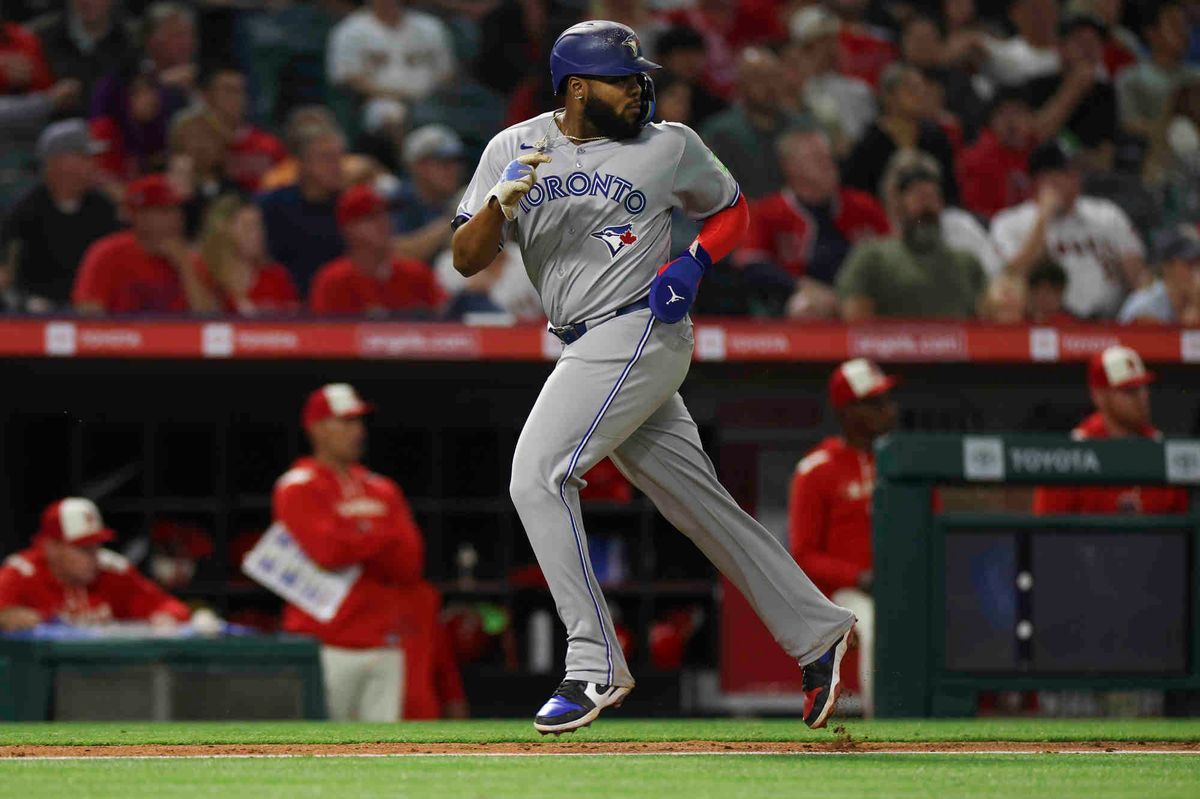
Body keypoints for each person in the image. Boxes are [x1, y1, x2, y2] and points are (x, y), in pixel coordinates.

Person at [451, 20, 856, 734]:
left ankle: (594, 659)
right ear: (577, 88)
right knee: (698, 503)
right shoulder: (510, 148)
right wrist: (497, 205)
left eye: (643, 78)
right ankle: (817, 630)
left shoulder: (670, 143)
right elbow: (464, 257)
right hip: (580, 337)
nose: (642, 89)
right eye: (624, 79)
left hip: (640, 323)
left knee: (537, 475)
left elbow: (732, 209)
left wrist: (694, 261)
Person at [273, 383, 466, 721]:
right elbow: (328, 552)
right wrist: (380, 534)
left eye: (359, 422)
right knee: (317, 756)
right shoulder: (297, 485)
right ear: (317, 428)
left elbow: (408, 563)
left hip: (384, 642)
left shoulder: (383, 488)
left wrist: (355, 535)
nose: (357, 431)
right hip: (324, 644)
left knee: (385, 753)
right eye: (345, 422)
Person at [790, 358, 898, 718]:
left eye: (888, 401)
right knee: (873, 617)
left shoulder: (905, 464)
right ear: (849, 412)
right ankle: (882, 718)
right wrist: (859, 577)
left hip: (904, 584)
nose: (889, 411)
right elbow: (803, 554)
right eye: (876, 404)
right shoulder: (816, 468)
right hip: (845, 593)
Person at [737, 128, 890, 319]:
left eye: (829, 157)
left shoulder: (864, 205)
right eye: (817, 159)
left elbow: (895, 255)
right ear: (790, 167)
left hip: (865, 298)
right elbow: (751, 265)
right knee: (804, 307)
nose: (829, 165)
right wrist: (800, 285)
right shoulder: (767, 211)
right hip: (803, 297)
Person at [990, 139, 1147, 319]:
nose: (1076, 179)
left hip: (1111, 322)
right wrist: (1043, 219)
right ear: (1042, 180)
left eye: (1076, 172)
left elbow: (1138, 275)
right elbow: (1012, 275)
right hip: (1046, 324)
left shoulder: (1107, 215)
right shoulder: (1011, 222)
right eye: (1066, 173)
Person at [1033, 346, 1189, 515]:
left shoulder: (1163, 449)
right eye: (1129, 390)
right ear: (1099, 396)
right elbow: (1047, 535)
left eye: (1144, 387)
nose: (1141, 397)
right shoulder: (1072, 454)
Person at [0, 497, 191, 632]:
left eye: (96, 546)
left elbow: (172, 607)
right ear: (52, 547)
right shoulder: (21, 572)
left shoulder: (112, 569)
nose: (94, 557)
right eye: (83, 549)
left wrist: (165, 617)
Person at [837, 156, 986, 320]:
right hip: (893, 344)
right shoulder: (872, 257)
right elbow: (855, 322)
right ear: (897, 204)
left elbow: (988, 318)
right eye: (919, 196)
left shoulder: (966, 262)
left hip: (955, 344)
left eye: (933, 197)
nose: (927, 206)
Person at [0, 119, 120, 310]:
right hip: (36, 312)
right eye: (85, 157)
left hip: (93, 310)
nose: (95, 164)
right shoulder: (26, 210)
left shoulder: (103, 207)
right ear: (58, 162)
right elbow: (7, 271)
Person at [72, 173, 209, 314]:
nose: (176, 218)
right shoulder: (106, 252)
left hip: (178, 336)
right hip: (122, 334)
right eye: (164, 211)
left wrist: (184, 267)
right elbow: (87, 314)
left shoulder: (192, 259)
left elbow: (211, 322)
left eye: (177, 210)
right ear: (136, 216)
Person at [310, 184, 445, 316]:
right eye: (371, 217)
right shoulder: (333, 281)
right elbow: (319, 334)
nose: (383, 222)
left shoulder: (417, 274)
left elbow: (447, 322)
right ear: (349, 228)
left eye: (385, 214)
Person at [700, 47, 812, 201]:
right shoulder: (720, 133)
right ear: (740, 85)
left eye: (774, 77)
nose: (769, 85)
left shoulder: (801, 126)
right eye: (758, 78)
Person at [842, 62, 958, 205]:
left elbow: (950, 189)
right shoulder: (870, 143)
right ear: (889, 96)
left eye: (921, 89)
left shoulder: (935, 137)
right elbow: (857, 191)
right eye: (911, 89)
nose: (919, 95)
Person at [326, 0, 456, 126]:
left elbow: (447, 71)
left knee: (438, 134)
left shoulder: (430, 26)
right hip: (379, 100)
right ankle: (397, 148)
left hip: (429, 99)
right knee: (389, 114)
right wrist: (395, 95)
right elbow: (349, 77)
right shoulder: (349, 30)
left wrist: (430, 93)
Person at [259, 120, 346, 294]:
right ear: (302, 163)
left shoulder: (349, 207)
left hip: (340, 309)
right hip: (285, 310)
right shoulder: (272, 206)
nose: (336, 166)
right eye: (325, 157)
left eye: (339, 157)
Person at [784, 6, 876, 155]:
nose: (828, 49)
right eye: (817, 43)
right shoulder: (791, 93)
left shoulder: (859, 90)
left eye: (832, 41)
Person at [193, 194, 300, 315]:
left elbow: (295, 323)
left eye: (259, 226)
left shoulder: (277, 276)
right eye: (247, 227)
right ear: (222, 230)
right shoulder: (203, 274)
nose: (257, 235)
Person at [29, 0, 136, 116]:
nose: (89, 2)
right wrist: (50, 99)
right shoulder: (44, 38)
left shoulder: (129, 40)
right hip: (57, 125)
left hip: (110, 126)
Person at [198, 65, 287, 194]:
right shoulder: (194, 139)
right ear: (207, 96)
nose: (236, 97)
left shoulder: (268, 145)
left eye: (240, 91)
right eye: (228, 90)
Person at [956, 87, 1036, 219]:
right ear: (991, 121)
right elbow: (977, 213)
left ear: (1031, 119)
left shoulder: (1039, 151)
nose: (1011, 122)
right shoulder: (975, 158)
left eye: (1018, 113)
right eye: (1004, 114)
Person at [391, 124, 464, 263]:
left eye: (456, 162)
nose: (454, 170)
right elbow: (397, 254)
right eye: (444, 163)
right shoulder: (397, 200)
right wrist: (452, 221)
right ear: (418, 166)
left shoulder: (458, 199)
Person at [1118, 226, 1200, 324]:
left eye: (1198, 262)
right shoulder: (1147, 307)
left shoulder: (1188, 297)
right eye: (1190, 263)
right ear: (1167, 268)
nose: (1196, 269)